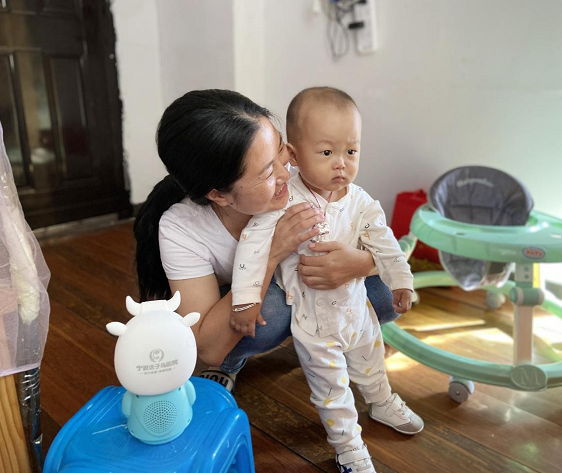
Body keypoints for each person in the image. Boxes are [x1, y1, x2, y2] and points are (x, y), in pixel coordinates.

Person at [133, 89, 403, 393]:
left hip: (308, 291)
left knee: (384, 294)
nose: (286, 174)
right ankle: (232, 363)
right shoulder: (182, 228)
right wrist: (271, 253)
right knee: (271, 311)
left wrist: (362, 264)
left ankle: (329, 340)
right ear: (218, 195)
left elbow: (382, 243)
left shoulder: (310, 180)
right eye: (266, 173)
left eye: (281, 151)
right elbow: (206, 347)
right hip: (253, 303)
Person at [230, 87, 423, 473]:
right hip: (313, 323)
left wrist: (402, 280)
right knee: (332, 390)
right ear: (294, 154)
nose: (341, 164)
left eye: (351, 151)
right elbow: (252, 246)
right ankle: (348, 446)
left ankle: (381, 401)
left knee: (372, 365)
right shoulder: (285, 199)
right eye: (326, 152)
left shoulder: (361, 201)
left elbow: (385, 243)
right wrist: (246, 301)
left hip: (358, 311)